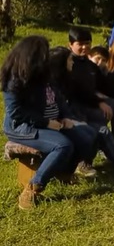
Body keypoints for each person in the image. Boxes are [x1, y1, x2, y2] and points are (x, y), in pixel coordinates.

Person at [1, 36, 98, 210]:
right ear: (33, 55)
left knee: (87, 136)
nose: (47, 55)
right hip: (21, 127)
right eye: (44, 52)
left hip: (50, 121)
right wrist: (46, 123)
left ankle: (64, 173)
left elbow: (58, 99)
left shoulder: (43, 73)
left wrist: (66, 116)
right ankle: (32, 189)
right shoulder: (14, 80)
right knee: (63, 145)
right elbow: (17, 114)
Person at [49, 47, 114, 178]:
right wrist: (71, 119)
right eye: (70, 60)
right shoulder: (50, 84)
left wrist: (102, 102)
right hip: (57, 123)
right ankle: (81, 165)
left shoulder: (70, 78)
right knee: (96, 131)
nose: (72, 62)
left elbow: (89, 93)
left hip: (73, 117)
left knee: (102, 129)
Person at [66, 27, 114, 156]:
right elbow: (76, 91)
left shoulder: (89, 65)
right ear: (70, 44)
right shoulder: (67, 63)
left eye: (87, 43)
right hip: (76, 108)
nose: (84, 47)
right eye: (80, 44)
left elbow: (107, 86)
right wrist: (99, 102)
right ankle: (86, 159)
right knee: (100, 118)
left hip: (92, 103)